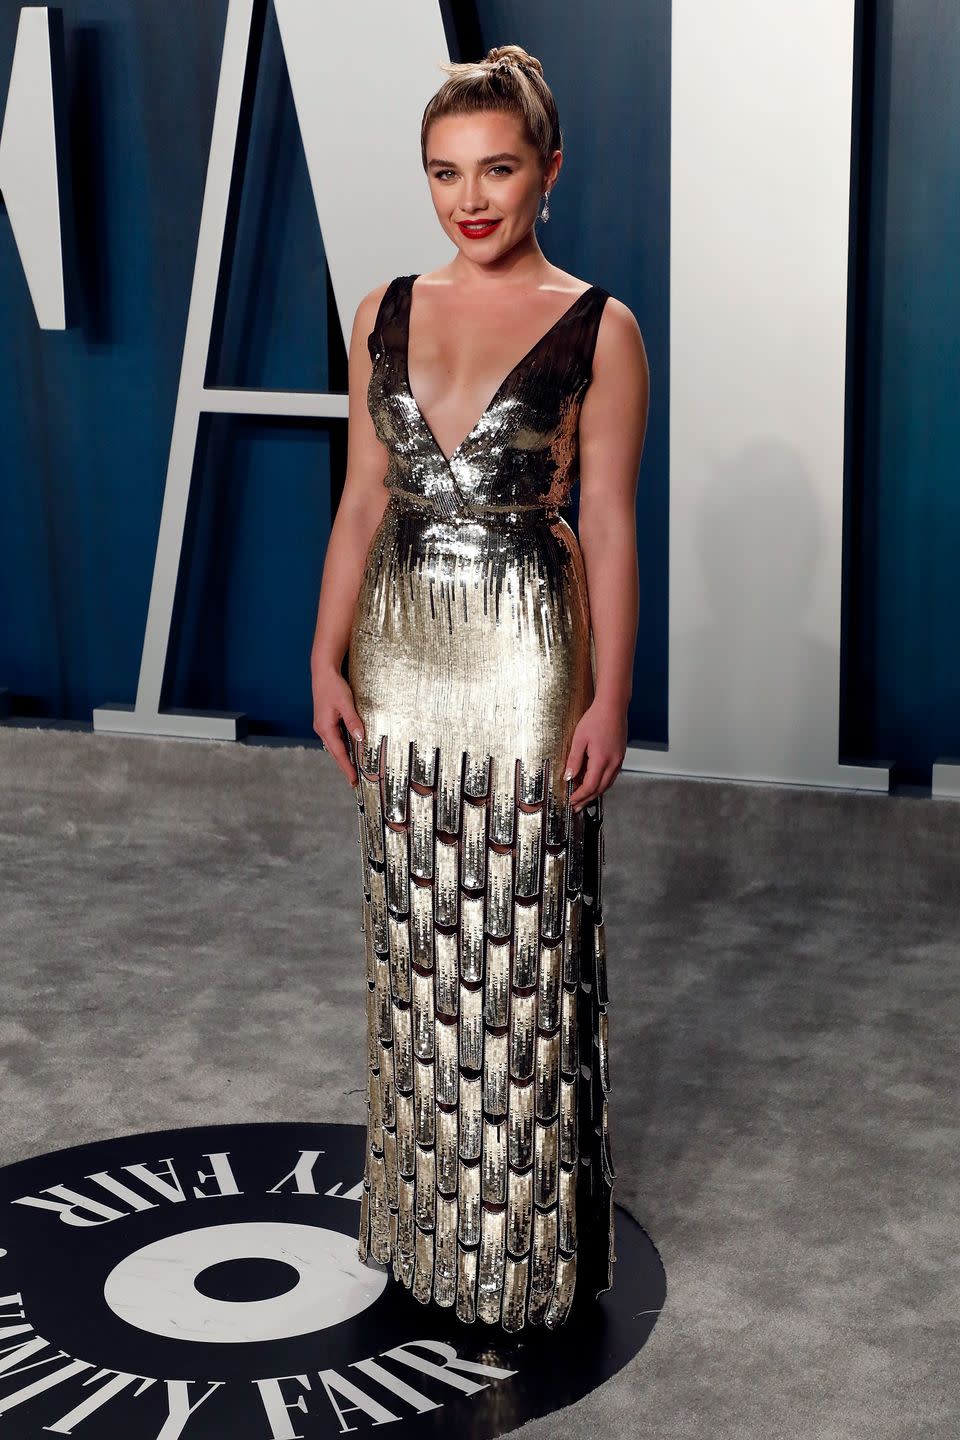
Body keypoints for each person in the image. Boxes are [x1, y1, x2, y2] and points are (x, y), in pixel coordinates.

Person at [310, 43, 649, 1331]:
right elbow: (360, 497)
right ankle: (419, 1225)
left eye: (498, 168)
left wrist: (611, 696)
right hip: (396, 651)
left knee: (525, 936)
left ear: (547, 172)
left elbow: (609, 523)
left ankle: (520, 1256)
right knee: (414, 935)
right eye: (446, 171)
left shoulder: (599, 326)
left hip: (525, 653)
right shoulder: (383, 307)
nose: (471, 198)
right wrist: (322, 652)